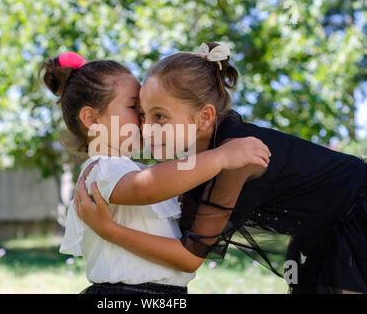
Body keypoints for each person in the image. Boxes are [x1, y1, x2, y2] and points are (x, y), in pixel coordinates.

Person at [74, 42, 367, 294]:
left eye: (160, 116)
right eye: (141, 115)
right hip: (321, 224)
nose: (146, 129)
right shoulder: (198, 160)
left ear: (205, 117)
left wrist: (108, 230)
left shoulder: (234, 157)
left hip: (357, 212)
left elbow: (189, 256)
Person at [38, 51, 271, 294]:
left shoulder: (132, 170)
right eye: (134, 108)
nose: (144, 121)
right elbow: (144, 187)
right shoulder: (101, 169)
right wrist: (220, 157)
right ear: (91, 119)